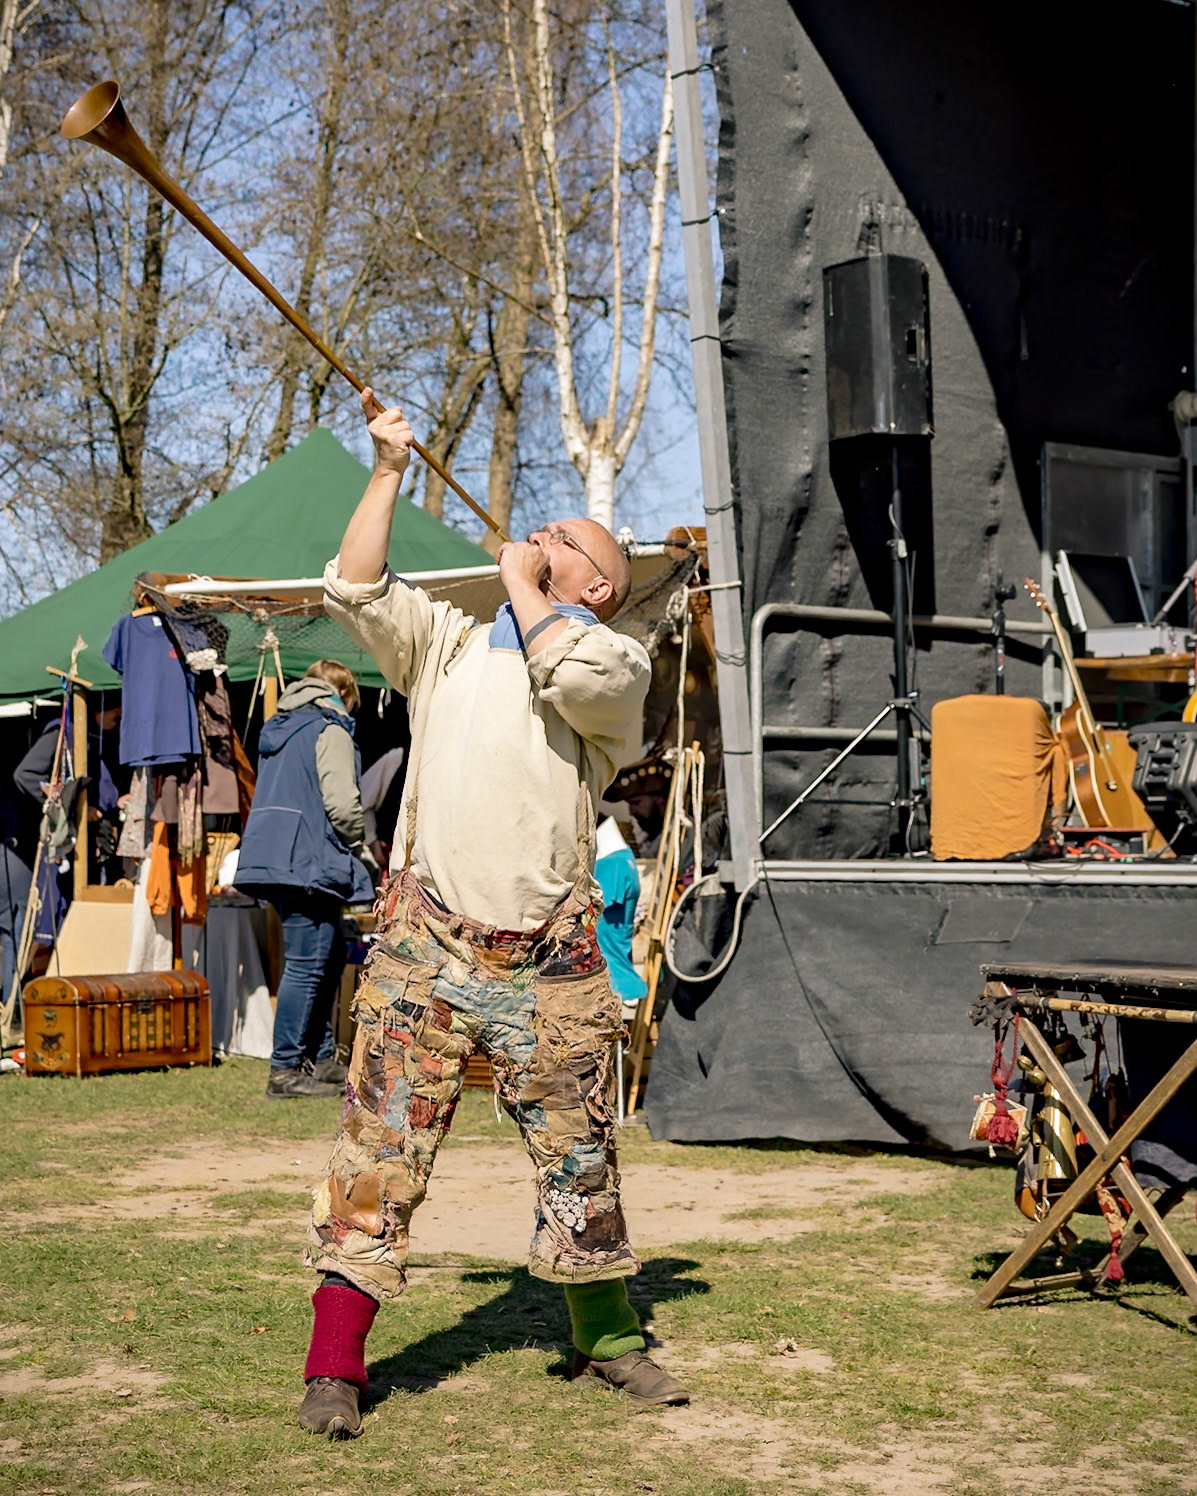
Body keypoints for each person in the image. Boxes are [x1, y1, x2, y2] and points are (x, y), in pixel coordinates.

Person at [296, 391, 690, 1440]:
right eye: (542, 532)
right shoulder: (452, 645)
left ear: (597, 583)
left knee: (577, 1150)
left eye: (564, 539)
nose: (540, 536)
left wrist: (526, 580)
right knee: (378, 1152)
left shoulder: (616, 663)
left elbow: (569, 664)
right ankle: (335, 1366)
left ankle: (606, 1338)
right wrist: (386, 468)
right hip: (425, 939)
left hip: (549, 957)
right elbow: (358, 585)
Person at [236, 660, 373, 1099]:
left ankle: (319, 1058)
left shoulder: (281, 726)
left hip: (275, 855)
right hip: (308, 858)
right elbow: (342, 803)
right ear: (343, 694)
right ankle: (286, 1069)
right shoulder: (328, 727)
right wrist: (361, 844)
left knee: (326, 953)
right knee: (307, 962)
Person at [593, 815, 647, 1015]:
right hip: (614, 931)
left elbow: (601, 901)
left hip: (609, 935)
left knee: (611, 955)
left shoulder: (612, 861)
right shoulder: (623, 855)